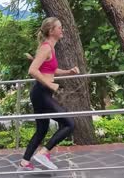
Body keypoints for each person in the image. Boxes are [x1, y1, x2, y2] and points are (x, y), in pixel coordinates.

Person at [18, 17, 79, 172]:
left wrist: (68, 72)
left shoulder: (50, 47)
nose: (62, 30)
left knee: (42, 130)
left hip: (42, 93)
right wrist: (50, 84)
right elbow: (32, 70)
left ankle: (25, 161)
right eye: (60, 27)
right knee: (69, 123)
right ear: (52, 31)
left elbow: (51, 70)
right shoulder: (46, 47)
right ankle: (43, 153)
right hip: (41, 93)